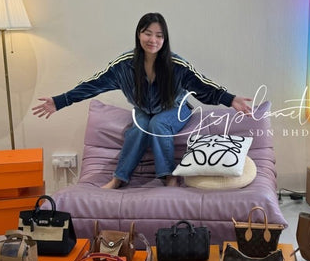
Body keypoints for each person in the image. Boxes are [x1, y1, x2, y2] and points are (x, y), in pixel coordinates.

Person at [33, 12, 252, 188]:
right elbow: (94, 84)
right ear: (139, 34)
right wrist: (60, 101)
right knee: (138, 129)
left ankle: (169, 176)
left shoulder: (176, 65)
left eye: (159, 35)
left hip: (176, 108)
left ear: (164, 39)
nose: (153, 40)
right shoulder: (124, 65)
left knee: (158, 124)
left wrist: (230, 99)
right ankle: (119, 178)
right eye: (148, 33)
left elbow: (202, 84)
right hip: (144, 110)